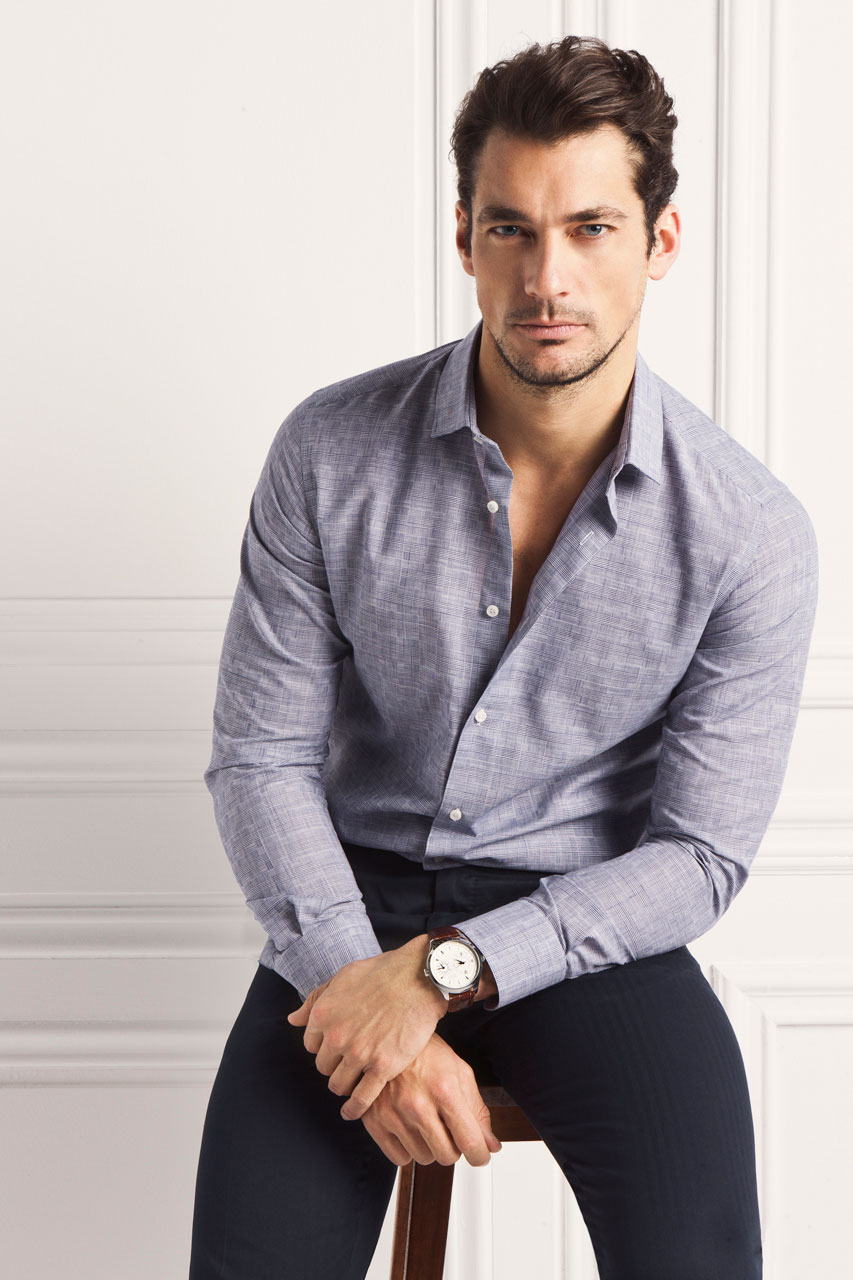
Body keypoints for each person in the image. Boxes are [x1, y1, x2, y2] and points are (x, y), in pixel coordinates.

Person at [189, 35, 818, 1280]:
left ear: (660, 239)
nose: (547, 276)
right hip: (347, 908)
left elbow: (698, 855)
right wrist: (366, 995)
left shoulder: (750, 531)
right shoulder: (328, 452)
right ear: (464, 238)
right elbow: (259, 757)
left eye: (590, 228)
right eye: (511, 229)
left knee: (700, 1256)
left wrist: (444, 974)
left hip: (582, 922)